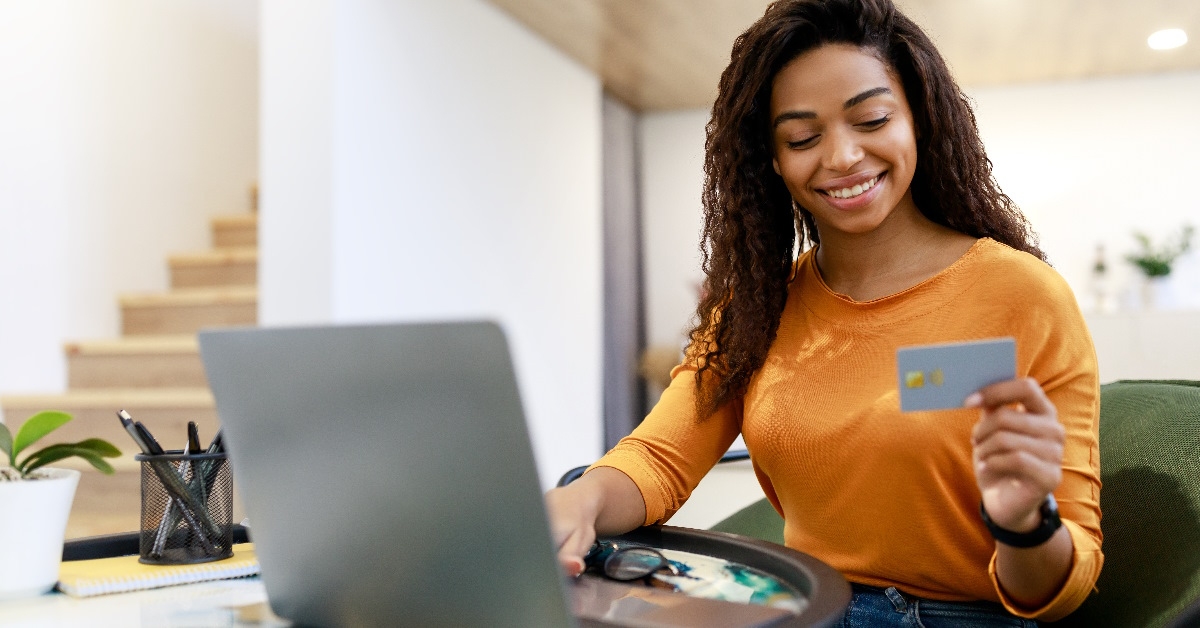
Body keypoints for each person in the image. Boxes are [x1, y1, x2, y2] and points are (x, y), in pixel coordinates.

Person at [544, 0, 1103, 625]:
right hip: (815, 603)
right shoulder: (758, 307)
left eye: (870, 119)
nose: (840, 157)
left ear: (918, 120)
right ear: (774, 160)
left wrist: (1023, 524)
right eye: (803, 137)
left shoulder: (1022, 295)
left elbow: (1065, 587)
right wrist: (581, 499)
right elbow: (658, 459)